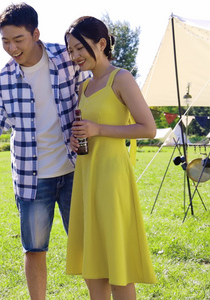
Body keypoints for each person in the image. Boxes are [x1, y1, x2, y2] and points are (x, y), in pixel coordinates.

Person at [0, 3, 89, 299]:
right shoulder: (2, 81)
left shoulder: (66, 58)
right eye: (5, 41)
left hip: (77, 169)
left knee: (87, 245)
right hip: (32, 179)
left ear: (36, 33)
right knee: (34, 249)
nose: (11, 48)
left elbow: (90, 94)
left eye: (18, 40)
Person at [64, 16, 157, 299]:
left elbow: (148, 128)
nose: (75, 56)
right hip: (87, 177)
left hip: (112, 178)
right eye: (71, 51)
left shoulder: (122, 78)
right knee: (93, 271)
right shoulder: (83, 87)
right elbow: (87, 131)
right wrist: (76, 138)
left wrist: (98, 129)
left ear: (101, 43)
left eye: (80, 48)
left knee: (118, 269)